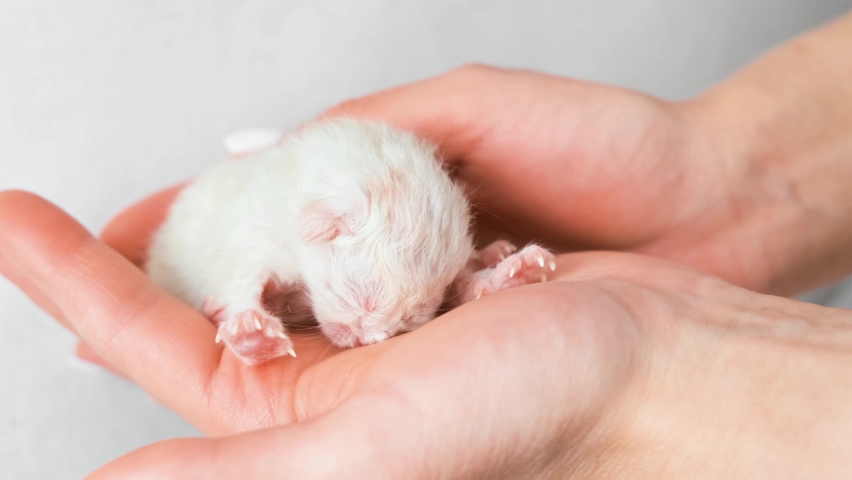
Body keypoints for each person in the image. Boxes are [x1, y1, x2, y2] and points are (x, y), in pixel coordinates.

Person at [1, 10, 851, 479]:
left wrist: (479, 283)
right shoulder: (290, 211)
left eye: (408, 312)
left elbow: (428, 283)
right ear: (319, 229)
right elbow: (236, 259)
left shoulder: (413, 222)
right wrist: (245, 309)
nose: (378, 337)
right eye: (370, 306)